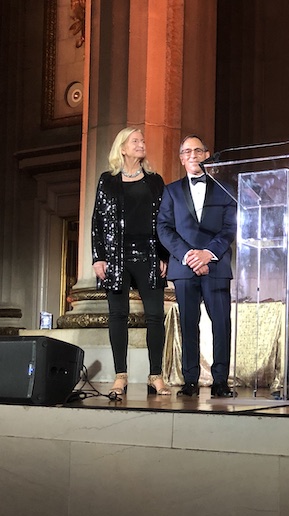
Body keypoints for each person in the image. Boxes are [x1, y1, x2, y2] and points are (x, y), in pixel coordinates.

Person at [90, 126, 170, 399]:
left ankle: (155, 375)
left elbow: (164, 220)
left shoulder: (155, 180)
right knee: (118, 315)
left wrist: (164, 254)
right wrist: (98, 257)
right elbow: (97, 221)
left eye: (142, 141)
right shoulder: (107, 180)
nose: (141, 144)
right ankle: (120, 376)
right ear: (122, 148)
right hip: (116, 256)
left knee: (155, 316)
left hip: (148, 253)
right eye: (135, 141)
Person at [156, 134, 237, 398]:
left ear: (206, 155)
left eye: (198, 151)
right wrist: (189, 255)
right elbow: (164, 228)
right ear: (181, 158)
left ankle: (221, 380)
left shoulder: (225, 188)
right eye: (187, 151)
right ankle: (190, 379)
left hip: (216, 265)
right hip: (184, 266)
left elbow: (230, 227)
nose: (193, 155)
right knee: (189, 323)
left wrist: (208, 254)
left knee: (221, 324)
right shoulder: (170, 191)